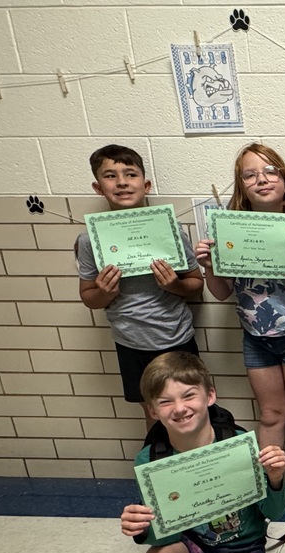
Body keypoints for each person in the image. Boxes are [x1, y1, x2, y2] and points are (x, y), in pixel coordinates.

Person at [119, 352, 285, 553]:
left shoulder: (240, 446)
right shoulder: (150, 460)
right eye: (165, 402)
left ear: (209, 395)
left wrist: (277, 480)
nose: (180, 408)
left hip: (243, 543)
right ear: (153, 410)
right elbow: (164, 536)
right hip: (190, 542)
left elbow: (275, 513)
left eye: (188, 395)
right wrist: (143, 526)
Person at [195, 143, 285, 457]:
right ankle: (272, 486)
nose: (262, 180)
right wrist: (210, 267)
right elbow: (222, 292)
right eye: (250, 175)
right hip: (255, 339)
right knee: (270, 415)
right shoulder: (230, 234)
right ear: (242, 187)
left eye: (270, 172)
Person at [75, 144, 203, 429]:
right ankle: (163, 470)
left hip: (176, 337)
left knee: (192, 411)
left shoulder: (171, 230)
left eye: (130, 174)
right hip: (130, 341)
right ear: (98, 188)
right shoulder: (88, 240)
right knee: (154, 415)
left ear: (145, 185)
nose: (121, 182)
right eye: (110, 176)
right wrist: (105, 292)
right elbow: (88, 297)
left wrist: (174, 285)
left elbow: (195, 284)